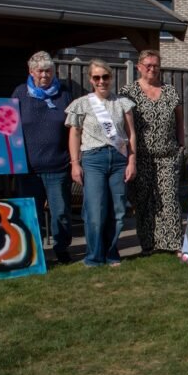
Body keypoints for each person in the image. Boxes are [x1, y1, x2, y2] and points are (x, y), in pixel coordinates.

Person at [65, 59, 137, 267]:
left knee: (118, 209)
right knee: (95, 210)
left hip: (118, 160)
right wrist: (74, 163)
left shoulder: (123, 103)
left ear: (111, 78)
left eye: (105, 77)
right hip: (93, 159)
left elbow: (131, 135)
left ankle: (111, 253)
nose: (101, 81)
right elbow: (74, 135)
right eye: (96, 77)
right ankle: (94, 257)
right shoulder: (81, 104)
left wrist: (132, 161)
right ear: (90, 79)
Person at [120, 49, 186, 256]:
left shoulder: (170, 91)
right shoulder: (128, 92)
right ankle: (148, 244)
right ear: (139, 66)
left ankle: (173, 243)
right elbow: (123, 125)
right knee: (144, 200)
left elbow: (179, 120)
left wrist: (181, 147)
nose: (152, 68)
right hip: (141, 157)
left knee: (169, 199)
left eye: (156, 65)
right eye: (148, 64)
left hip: (168, 155)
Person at [12, 51, 75, 264]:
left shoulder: (64, 94)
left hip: (58, 165)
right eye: (40, 71)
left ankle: (62, 249)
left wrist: (74, 160)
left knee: (61, 213)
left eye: (48, 71)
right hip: (28, 168)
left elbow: (73, 129)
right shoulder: (19, 94)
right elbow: (9, 128)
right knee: (32, 213)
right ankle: (34, 253)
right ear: (31, 72)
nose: (45, 75)